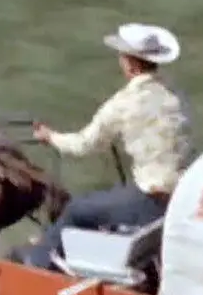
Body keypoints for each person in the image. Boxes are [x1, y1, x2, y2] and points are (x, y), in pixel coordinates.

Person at [22, 22, 194, 269]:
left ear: (130, 64)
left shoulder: (123, 104)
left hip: (150, 202)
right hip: (182, 196)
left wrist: (51, 137)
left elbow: (85, 144)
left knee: (76, 209)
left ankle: (36, 264)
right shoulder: (176, 94)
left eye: (122, 56)